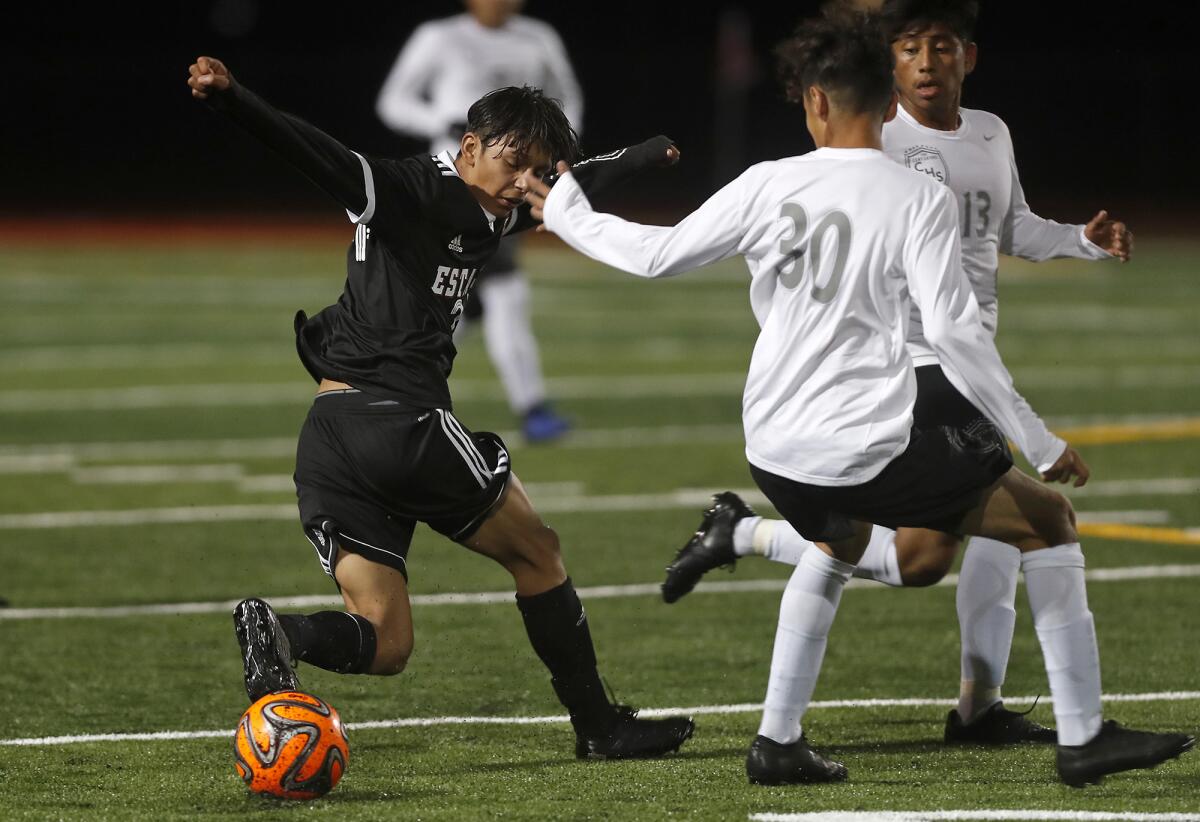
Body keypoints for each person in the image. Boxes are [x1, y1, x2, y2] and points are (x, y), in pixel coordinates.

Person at [523, 7, 1192, 787]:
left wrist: (565, 204)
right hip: (863, 446)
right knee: (1046, 520)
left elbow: (652, 254)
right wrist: (1041, 445)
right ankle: (1082, 740)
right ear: (887, 104)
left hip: (772, 451)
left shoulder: (766, 182)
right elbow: (957, 337)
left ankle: (777, 740)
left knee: (845, 544)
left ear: (812, 102)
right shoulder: (917, 198)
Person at [186, 55, 693, 760]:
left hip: (330, 439)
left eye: (535, 169)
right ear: (469, 147)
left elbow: (571, 186)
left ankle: (282, 633)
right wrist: (235, 99)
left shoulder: (489, 210)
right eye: (514, 161)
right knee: (539, 554)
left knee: (386, 642)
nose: (525, 181)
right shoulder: (413, 190)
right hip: (399, 425)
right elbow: (320, 156)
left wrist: (638, 157)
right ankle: (599, 727)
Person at [658, 0, 1136, 748]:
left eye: (939, 47)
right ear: (886, 67)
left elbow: (1011, 228)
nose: (922, 62)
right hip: (914, 370)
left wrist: (1081, 240)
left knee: (918, 557)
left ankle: (746, 542)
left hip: (968, 362)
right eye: (906, 47)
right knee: (1029, 522)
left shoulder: (991, 133)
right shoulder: (877, 137)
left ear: (966, 58)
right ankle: (1000, 716)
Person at [376, 0, 583, 443]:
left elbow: (567, 98)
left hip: (512, 184)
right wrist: (444, 121)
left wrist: (557, 156)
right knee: (474, 292)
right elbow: (393, 101)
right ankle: (528, 407)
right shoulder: (439, 36)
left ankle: (393, 384)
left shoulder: (538, 38)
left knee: (481, 294)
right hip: (454, 179)